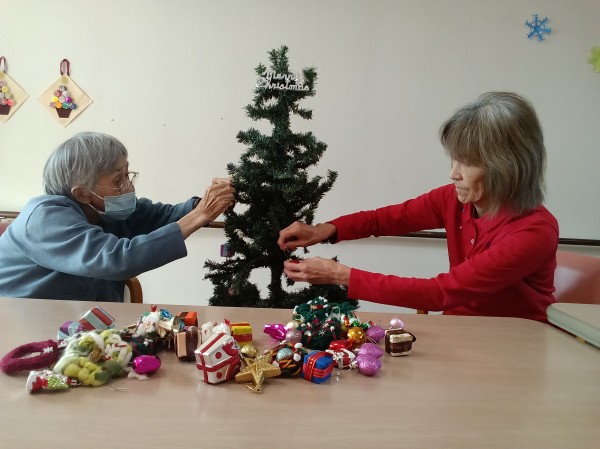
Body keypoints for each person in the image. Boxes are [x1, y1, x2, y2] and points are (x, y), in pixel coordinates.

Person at [278, 92, 559, 322]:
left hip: (515, 343)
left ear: (506, 168)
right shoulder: (454, 199)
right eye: (454, 158)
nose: (454, 173)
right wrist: (323, 230)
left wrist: (341, 275)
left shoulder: (533, 232)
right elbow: (384, 219)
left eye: (468, 162)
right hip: (460, 330)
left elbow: (440, 293)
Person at [0, 132, 235, 302]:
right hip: (20, 326)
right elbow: (116, 258)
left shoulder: (106, 210)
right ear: (82, 193)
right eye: (117, 180)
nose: (128, 186)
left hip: (80, 329)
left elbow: (167, 216)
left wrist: (206, 204)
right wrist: (201, 214)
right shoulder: (44, 218)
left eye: (127, 174)